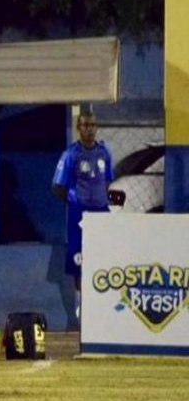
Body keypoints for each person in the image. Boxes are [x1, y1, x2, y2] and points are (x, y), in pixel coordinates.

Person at [51, 110, 113, 321]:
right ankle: (81, 310)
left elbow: (108, 181)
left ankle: (101, 308)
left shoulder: (104, 153)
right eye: (85, 125)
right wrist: (74, 201)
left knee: (103, 258)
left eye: (93, 125)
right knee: (80, 261)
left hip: (102, 213)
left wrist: (103, 200)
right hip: (79, 216)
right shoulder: (71, 154)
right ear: (79, 128)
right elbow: (57, 186)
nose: (90, 129)